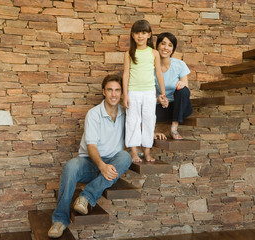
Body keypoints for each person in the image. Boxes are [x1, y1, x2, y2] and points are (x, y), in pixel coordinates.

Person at [48, 75, 132, 238]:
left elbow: (139, 129)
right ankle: (59, 220)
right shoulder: (93, 114)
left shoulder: (126, 113)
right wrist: (102, 166)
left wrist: (154, 133)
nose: (114, 94)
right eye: (110, 90)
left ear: (122, 93)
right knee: (70, 166)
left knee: (125, 157)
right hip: (90, 163)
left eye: (117, 90)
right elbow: (91, 146)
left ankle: (85, 198)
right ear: (103, 92)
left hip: (113, 162)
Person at [122, 19, 168, 163]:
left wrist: (163, 93)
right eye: (137, 33)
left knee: (149, 121)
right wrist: (124, 94)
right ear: (132, 35)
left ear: (149, 35)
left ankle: (147, 152)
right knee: (132, 121)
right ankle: (134, 152)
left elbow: (159, 73)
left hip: (149, 92)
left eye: (143, 33)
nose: (140, 36)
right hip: (133, 92)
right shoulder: (129, 53)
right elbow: (126, 74)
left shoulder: (154, 53)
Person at [154, 32, 192, 140]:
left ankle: (174, 129)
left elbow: (186, 92)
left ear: (173, 49)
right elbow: (148, 94)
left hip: (180, 107)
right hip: (164, 107)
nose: (166, 48)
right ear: (157, 46)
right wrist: (158, 100)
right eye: (163, 44)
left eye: (170, 45)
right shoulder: (150, 68)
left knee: (182, 89)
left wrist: (182, 84)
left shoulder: (180, 65)